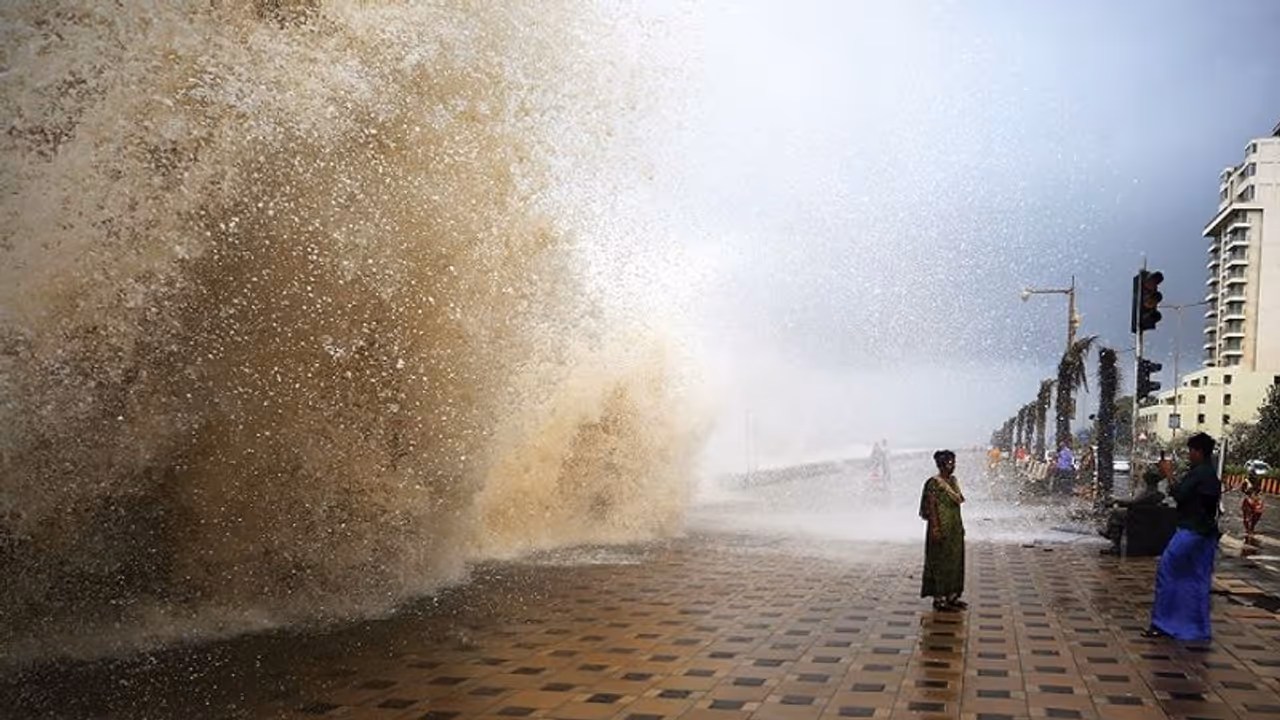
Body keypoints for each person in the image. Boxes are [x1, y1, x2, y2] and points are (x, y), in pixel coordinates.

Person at [1143, 432, 1221, 641]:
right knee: (1196, 578)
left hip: (1192, 532)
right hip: (1205, 534)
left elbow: (1179, 494)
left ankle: (1163, 624)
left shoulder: (1200, 473)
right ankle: (1195, 627)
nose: (1189, 455)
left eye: (1190, 451)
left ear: (1198, 451)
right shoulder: (1207, 473)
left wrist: (1168, 473)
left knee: (1167, 571)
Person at [920, 450, 966, 611]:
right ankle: (939, 599)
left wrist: (960, 527)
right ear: (940, 464)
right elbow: (931, 506)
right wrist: (935, 528)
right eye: (949, 463)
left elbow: (958, 501)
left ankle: (952, 596)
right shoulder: (933, 483)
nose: (952, 466)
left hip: (954, 528)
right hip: (940, 527)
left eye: (953, 462)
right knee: (940, 562)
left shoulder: (953, 481)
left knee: (954, 561)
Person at [1099, 470, 1166, 555]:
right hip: (1143, 515)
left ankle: (1114, 542)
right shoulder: (1157, 493)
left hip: (1138, 516)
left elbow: (1133, 503)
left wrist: (1117, 500)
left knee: (1116, 514)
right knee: (1117, 513)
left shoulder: (1148, 493)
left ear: (1147, 480)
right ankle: (1109, 533)